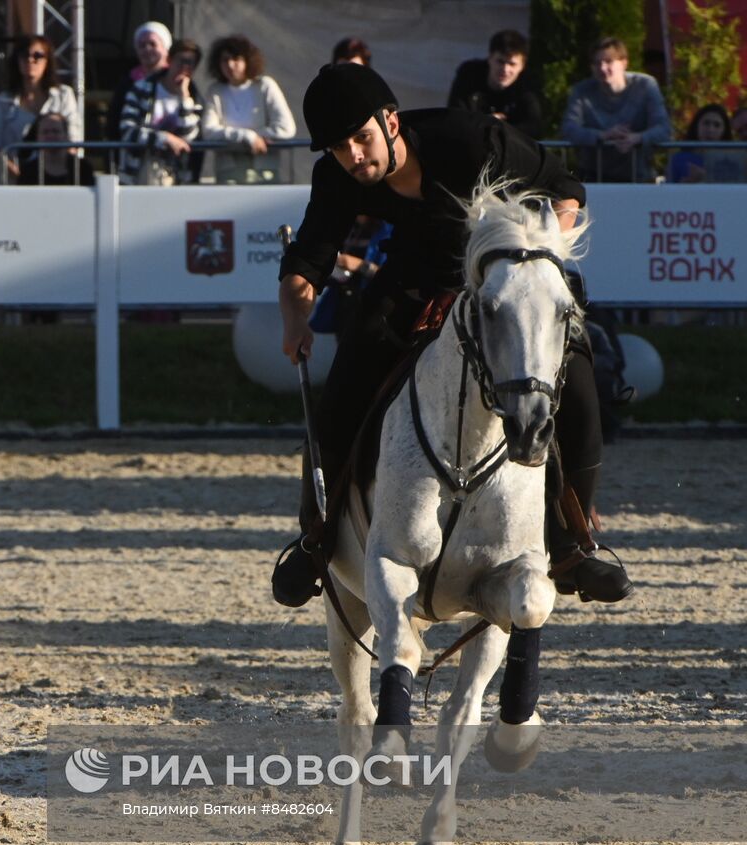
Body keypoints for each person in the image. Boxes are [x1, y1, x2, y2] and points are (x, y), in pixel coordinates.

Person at [269, 63, 632, 609]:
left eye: (361, 138)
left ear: (390, 121)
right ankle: (315, 536)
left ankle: (575, 544)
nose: (354, 157)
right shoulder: (338, 174)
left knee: (578, 382)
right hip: (415, 280)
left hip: (504, 282)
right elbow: (308, 261)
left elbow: (566, 192)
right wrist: (295, 320)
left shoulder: (474, 138)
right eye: (340, 148)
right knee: (341, 387)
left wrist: (539, 260)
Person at [560, 37, 671, 183]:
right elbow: (568, 129)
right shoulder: (581, 91)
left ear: (624, 62)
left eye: (608, 61)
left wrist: (637, 138)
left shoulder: (646, 86)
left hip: (639, 177)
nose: (602, 68)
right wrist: (603, 136)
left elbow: (664, 129)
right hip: (593, 177)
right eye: (596, 63)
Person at [200, 34, 296, 184]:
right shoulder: (215, 91)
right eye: (225, 60)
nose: (230, 65)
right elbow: (208, 131)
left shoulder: (265, 86)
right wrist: (245, 136)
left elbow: (286, 128)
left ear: (247, 61)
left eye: (236, 59)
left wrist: (257, 139)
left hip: (265, 172)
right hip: (228, 174)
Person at [0, 34, 80, 182]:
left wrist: (50, 174)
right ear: (17, 61)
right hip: (11, 180)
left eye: (37, 55)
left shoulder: (64, 95)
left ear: (47, 61)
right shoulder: (3, 100)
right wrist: (22, 177)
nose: (30, 60)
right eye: (24, 55)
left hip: (56, 179)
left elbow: (73, 140)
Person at [118, 39, 204, 185]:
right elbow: (127, 130)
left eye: (190, 63)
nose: (184, 67)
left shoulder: (195, 97)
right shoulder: (141, 88)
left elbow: (189, 136)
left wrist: (185, 98)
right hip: (142, 172)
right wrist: (163, 138)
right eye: (180, 61)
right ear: (169, 60)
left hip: (178, 177)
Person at [447, 29, 542, 138]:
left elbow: (533, 127)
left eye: (512, 64)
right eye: (500, 61)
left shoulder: (528, 85)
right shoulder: (469, 74)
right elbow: (454, 118)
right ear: (490, 58)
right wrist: (484, 123)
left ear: (522, 66)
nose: (505, 69)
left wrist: (499, 128)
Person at [107, 21, 171, 147]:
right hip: (135, 155)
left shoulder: (176, 80)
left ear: (165, 48)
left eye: (153, 44)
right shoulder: (128, 83)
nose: (147, 49)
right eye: (142, 45)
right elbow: (116, 122)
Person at [16, 112, 94, 186]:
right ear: (37, 137)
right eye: (45, 132)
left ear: (66, 135)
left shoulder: (83, 168)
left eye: (55, 131)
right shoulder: (28, 171)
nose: (50, 135)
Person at [668, 104, 741, 183]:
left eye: (717, 125)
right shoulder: (678, 159)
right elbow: (667, 192)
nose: (710, 130)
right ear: (696, 126)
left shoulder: (733, 161)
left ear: (724, 130)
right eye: (706, 123)